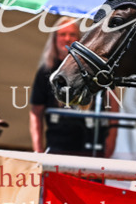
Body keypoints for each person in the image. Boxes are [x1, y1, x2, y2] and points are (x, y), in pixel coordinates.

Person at [30, 17, 118, 157]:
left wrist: (112, 137)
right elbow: (36, 111)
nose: (67, 39)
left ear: (80, 39)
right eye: (62, 34)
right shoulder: (46, 71)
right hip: (58, 147)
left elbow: (113, 101)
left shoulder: (93, 68)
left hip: (92, 147)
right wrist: (38, 148)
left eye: (72, 34)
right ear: (54, 38)